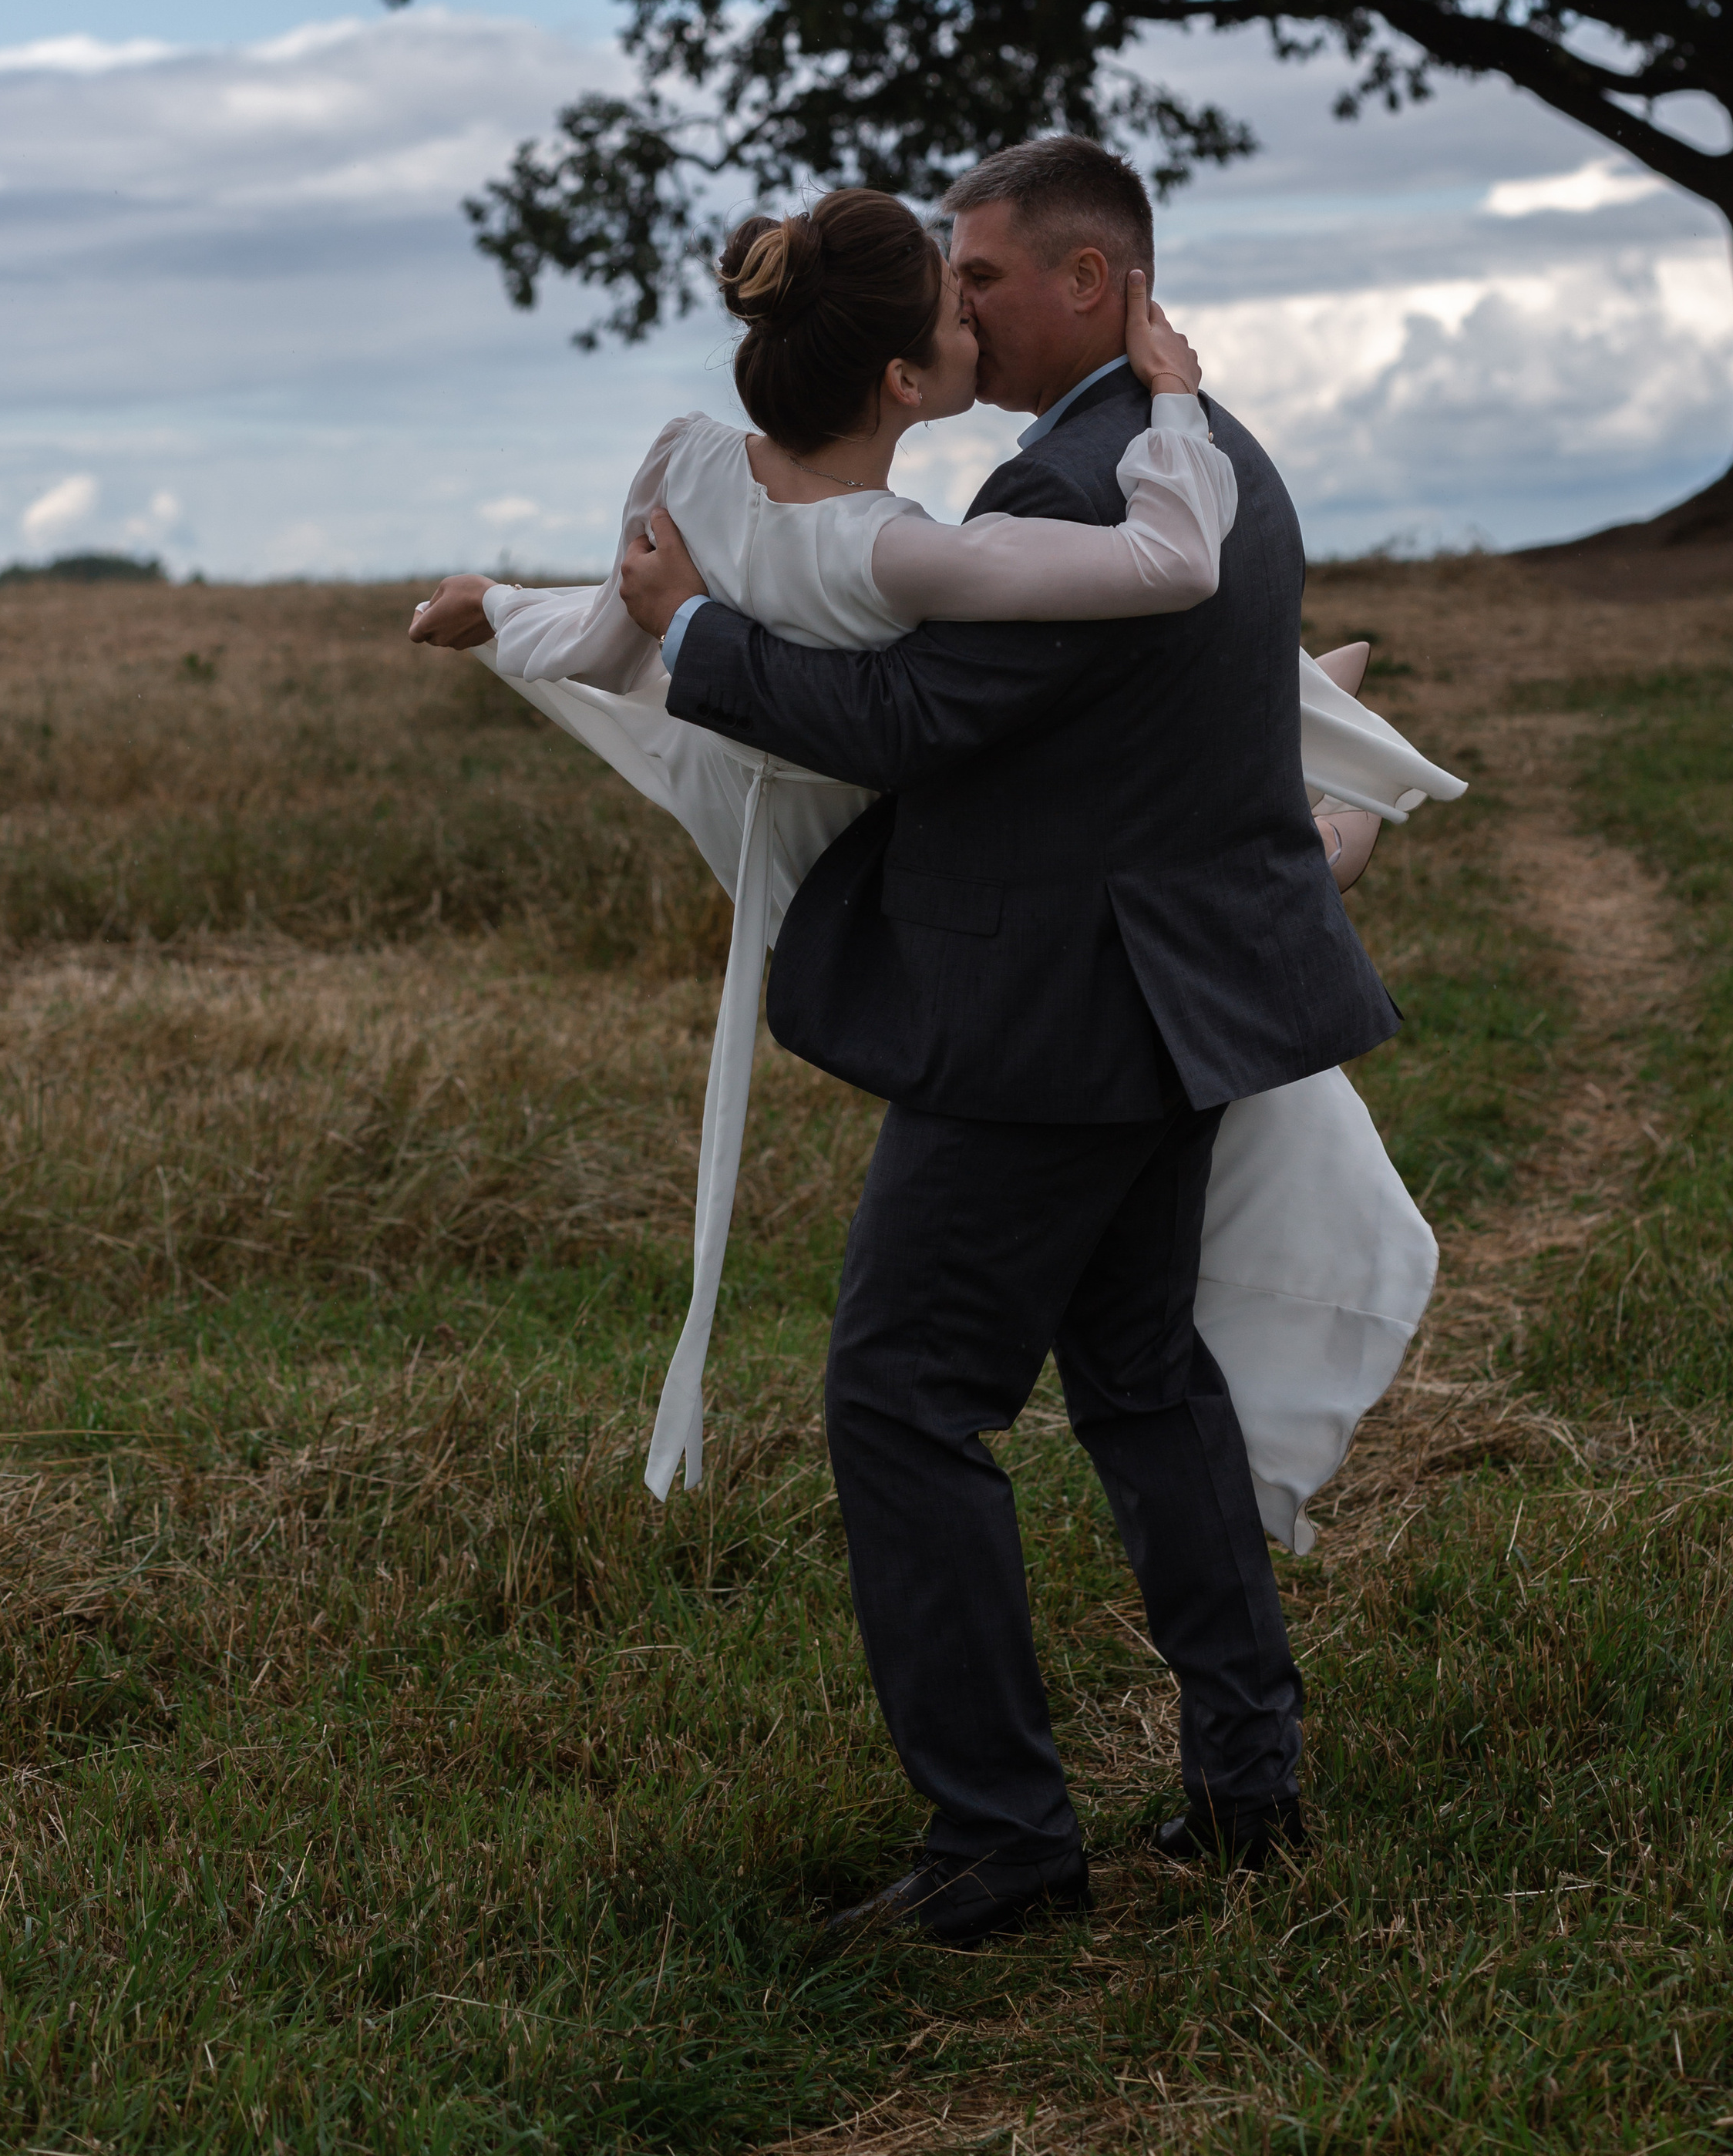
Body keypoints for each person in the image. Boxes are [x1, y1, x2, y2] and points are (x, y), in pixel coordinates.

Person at [412, 150, 1462, 1945]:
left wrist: (692, 634)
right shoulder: (1192, 448)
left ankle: (1000, 1845)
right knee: (1139, 1377)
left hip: (1048, 1026)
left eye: (979, 278)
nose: (955, 311)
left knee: (899, 1400)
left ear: (1084, 279)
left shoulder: (1067, 489)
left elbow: (901, 718)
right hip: (1166, 1010)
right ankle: (1246, 1775)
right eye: (942, 286)